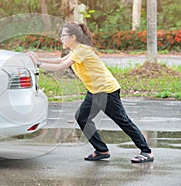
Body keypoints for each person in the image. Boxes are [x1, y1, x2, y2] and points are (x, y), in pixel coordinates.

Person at [27, 22, 154, 163]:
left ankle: (146, 152)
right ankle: (101, 150)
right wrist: (36, 58)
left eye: (63, 35)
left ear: (73, 37)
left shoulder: (82, 50)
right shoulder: (76, 50)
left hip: (106, 91)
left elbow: (61, 66)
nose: (61, 38)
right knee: (82, 117)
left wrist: (37, 63)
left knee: (123, 121)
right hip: (95, 91)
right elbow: (59, 60)